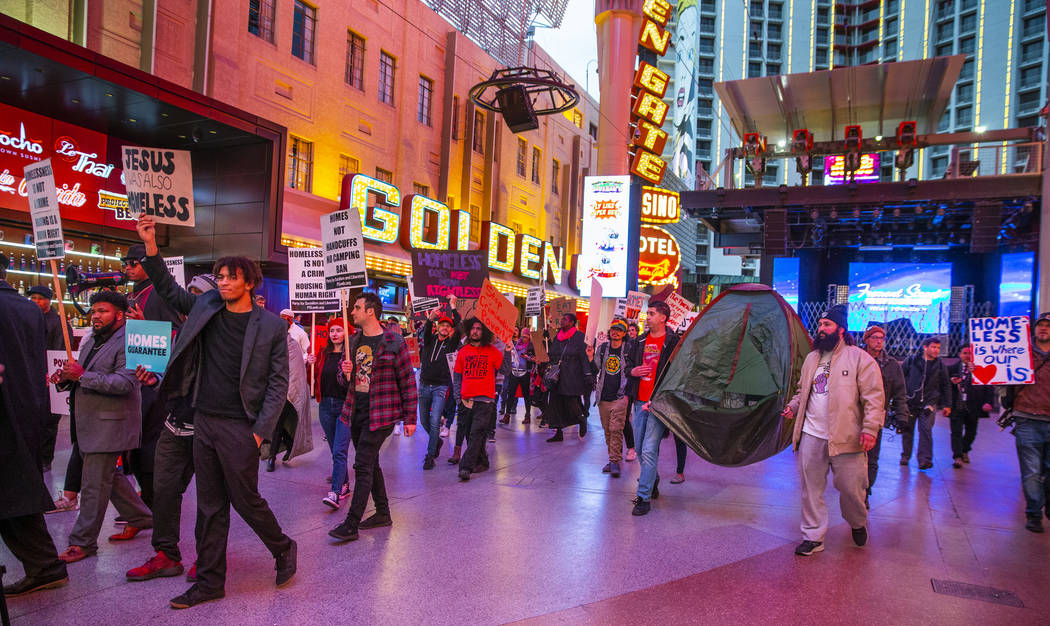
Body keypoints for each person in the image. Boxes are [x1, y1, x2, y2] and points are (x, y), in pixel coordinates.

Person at [136, 214, 296, 609]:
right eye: (219, 276)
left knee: (246, 500)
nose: (222, 281)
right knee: (209, 506)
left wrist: (260, 432)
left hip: (241, 427)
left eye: (230, 277)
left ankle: (283, 546)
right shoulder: (207, 306)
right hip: (203, 420)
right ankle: (209, 582)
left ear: (249, 282)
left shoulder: (272, 327)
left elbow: (278, 385)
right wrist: (151, 246)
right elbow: (171, 292)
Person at [125, 274, 219, 584]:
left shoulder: (223, 336)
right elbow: (171, 379)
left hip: (208, 429)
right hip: (175, 425)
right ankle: (166, 554)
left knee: (210, 498)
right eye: (188, 293)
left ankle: (207, 558)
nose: (189, 300)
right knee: (163, 491)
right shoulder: (177, 335)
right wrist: (155, 381)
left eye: (198, 295)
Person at [52, 290, 153, 563]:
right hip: (88, 423)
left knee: (94, 484)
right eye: (93, 310)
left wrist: (82, 375)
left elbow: (126, 383)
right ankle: (141, 517)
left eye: (103, 311)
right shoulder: (92, 340)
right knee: (110, 478)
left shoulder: (131, 340)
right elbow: (81, 375)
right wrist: (64, 378)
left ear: (119, 314)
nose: (95, 315)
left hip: (111, 424)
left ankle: (82, 543)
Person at [782, 305, 885, 556]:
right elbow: (802, 391)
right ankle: (813, 536)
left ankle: (858, 521)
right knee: (811, 489)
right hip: (811, 435)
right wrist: (793, 407)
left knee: (852, 490)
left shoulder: (860, 358)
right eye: (819, 325)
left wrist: (870, 429)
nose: (821, 329)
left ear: (840, 329)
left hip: (847, 439)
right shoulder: (811, 359)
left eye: (826, 325)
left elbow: (873, 398)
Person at [0, 254, 69, 597]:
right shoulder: (29, 309)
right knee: (14, 491)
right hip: (27, 405)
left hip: (4, 409)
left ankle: (45, 565)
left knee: (13, 491)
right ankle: (44, 565)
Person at [328, 293, 418, 542]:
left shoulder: (394, 341)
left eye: (356, 308)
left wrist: (411, 417)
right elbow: (344, 381)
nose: (352, 311)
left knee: (362, 465)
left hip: (382, 414)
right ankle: (382, 512)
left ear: (370, 311)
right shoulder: (354, 340)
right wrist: (343, 372)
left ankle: (351, 523)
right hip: (356, 411)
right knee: (372, 462)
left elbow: (407, 381)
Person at [123, 243, 183, 512]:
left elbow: (178, 334)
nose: (128, 267)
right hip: (135, 378)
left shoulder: (160, 294)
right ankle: (143, 499)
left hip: (156, 383)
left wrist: (145, 322)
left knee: (148, 444)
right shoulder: (134, 293)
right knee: (134, 444)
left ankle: (153, 502)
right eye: (126, 263)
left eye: (133, 263)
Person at [627, 301, 680, 516]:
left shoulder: (673, 342)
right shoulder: (639, 340)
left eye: (651, 314)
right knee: (639, 449)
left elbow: (678, 373)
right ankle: (652, 477)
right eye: (647, 313)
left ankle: (643, 497)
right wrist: (633, 371)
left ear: (663, 318)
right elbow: (627, 366)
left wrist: (661, 399)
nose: (646, 317)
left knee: (649, 449)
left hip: (658, 404)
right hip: (639, 402)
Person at [1002, 312, 1050, 533]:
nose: (1044, 329)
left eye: (1048, 326)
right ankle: (1033, 513)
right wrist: (978, 370)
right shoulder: (1021, 353)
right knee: (1031, 470)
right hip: (1026, 417)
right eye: (1041, 325)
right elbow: (998, 372)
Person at [860, 326, 907, 507]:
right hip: (853, 414)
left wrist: (902, 416)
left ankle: (865, 492)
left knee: (872, 457)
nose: (879, 341)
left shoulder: (891, 364)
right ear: (866, 339)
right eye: (874, 337)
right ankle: (855, 490)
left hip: (877, 416)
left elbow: (900, 392)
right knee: (853, 456)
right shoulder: (855, 358)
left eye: (881, 338)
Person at [27, 284, 72, 473]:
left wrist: (53, 372)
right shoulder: (30, 318)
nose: (36, 301)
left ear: (49, 300)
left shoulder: (59, 322)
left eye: (40, 298)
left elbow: (60, 351)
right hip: (33, 375)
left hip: (50, 377)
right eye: (33, 298)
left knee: (49, 420)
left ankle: (45, 458)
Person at [452, 318, 504, 481]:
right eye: (473, 328)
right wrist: (458, 397)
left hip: (485, 400)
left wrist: (508, 351)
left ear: (485, 332)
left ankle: (465, 467)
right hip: (466, 400)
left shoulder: (492, 350)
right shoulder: (463, 351)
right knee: (470, 434)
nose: (475, 331)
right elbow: (457, 375)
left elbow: (506, 370)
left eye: (479, 329)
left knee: (476, 433)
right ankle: (483, 460)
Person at [418, 297, 461, 470]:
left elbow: (460, 327)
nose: (444, 327)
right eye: (441, 324)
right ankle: (435, 442)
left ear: (450, 330)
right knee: (424, 421)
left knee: (435, 420)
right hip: (423, 385)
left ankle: (430, 456)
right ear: (437, 327)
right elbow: (427, 328)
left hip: (440, 387)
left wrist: (453, 307)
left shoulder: (451, 344)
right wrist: (430, 318)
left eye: (447, 326)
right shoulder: (429, 340)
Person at [262, 334, 314, 472]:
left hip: (287, 392)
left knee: (277, 424)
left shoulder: (293, 346)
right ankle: (289, 444)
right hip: (272, 392)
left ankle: (272, 457)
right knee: (276, 424)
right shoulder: (270, 345)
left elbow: (296, 371)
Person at [590, 319, 634, 478]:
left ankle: (615, 461)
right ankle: (613, 458)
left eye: (619, 330)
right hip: (603, 397)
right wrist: (589, 357)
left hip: (620, 397)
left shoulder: (628, 349)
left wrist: (629, 396)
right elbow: (594, 369)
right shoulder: (602, 349)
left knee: (616, 429)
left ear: (624, 333)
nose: (615, 332)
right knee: (608, 431)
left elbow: (632, 372)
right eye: (613, 329)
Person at [316, 318, 352, 508]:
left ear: (347, 333)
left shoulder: (351, 355)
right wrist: (310, 365)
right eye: (332, 331)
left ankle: (336, 493)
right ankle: (345, 484)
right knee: (334, 449)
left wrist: (351, 370)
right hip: (325, 407)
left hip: (345, 406)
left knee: (339, 450)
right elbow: (314, 380)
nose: (335, 333)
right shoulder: (323, 354)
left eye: (339, 330)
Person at [901, 337, 952, 469]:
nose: (936, 350)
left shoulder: (940, 365)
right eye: (934, 347)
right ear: (925, 347)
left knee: (926, 430)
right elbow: (901, 379)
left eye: (938, 348)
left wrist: (947, 404)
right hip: (910, 402)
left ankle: (924, 460)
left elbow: (946, 385)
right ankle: (905, 455)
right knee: (907, 430)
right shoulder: (911, 361)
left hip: (929, 403)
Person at [948, 343, 995, 469]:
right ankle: (957, 456)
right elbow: (944, 386)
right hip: (957, 405)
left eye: (970, 353)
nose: (968, 356)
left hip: (974, 405)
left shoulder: (981, 368)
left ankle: (964, 450)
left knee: (971, 432)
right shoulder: (952, 369)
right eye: (965, 353)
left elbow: (988, 386)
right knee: (956, 432)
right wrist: (951, 383)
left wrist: (988, 402)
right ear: (959, 354)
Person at [544, 313, 589, 442]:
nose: (562, 321)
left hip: (572, 374)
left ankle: (581, 419)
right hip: (557, 375)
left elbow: (583, 357)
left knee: (571, 401)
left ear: (572, 322)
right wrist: (545, 342)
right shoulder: (558, 336)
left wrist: (587, 374)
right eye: (562, 318)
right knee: (555, 403)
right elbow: (552, 353)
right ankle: (558, 432)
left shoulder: (579, 337)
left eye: (565, 319)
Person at [500, 328, 534, 425]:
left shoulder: (531, 346)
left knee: (526, 395)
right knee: (510, 394)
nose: (524, 339)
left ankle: (527, 416)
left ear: (529, 337)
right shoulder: (516, 344)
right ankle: (507, 415)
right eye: (522, 336)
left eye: (526, 337)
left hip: (525, 373)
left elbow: (536, 359)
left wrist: (528, 357)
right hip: (514, 372)